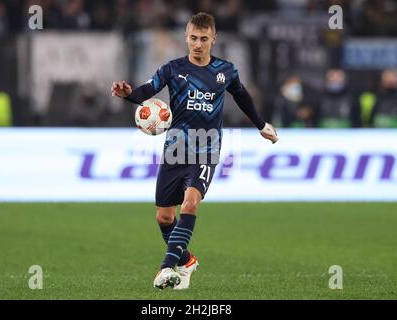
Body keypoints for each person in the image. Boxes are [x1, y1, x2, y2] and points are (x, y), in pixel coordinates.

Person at [111, 12, 278, 290]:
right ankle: (187, 261)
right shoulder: (172, 69)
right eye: (192, 38)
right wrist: (127, 93)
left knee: (190, 203)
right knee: (164, 217)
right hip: (175, 150)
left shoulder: (226, 71)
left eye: (203, 39)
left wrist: (261, 125)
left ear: (213, 39)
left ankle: (166, 267)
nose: (197, 44)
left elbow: (242, 96)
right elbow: (146, 92)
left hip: (206, 149)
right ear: (186, 37)